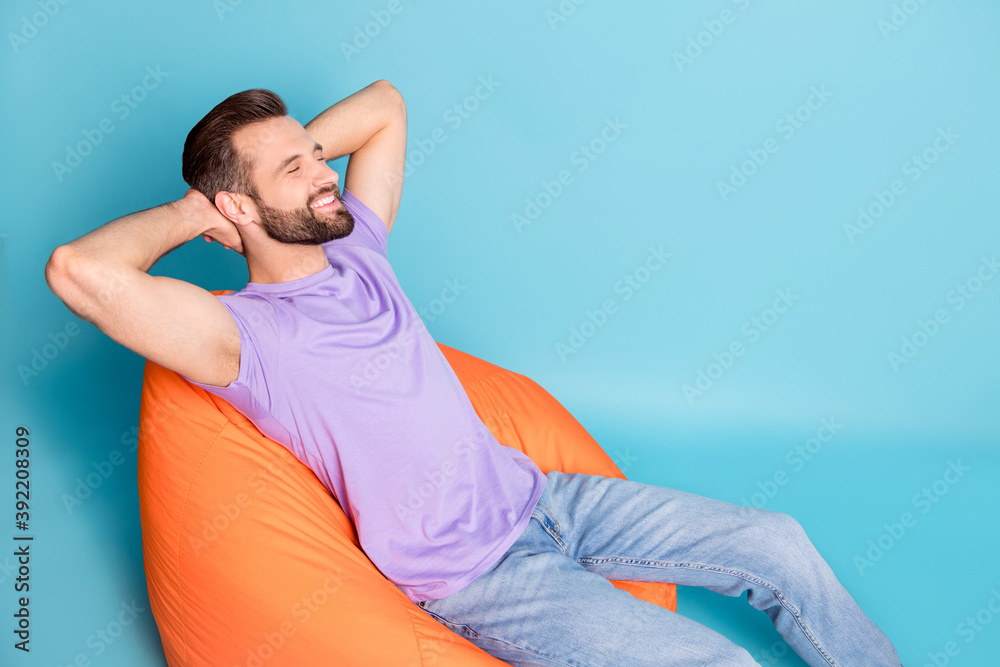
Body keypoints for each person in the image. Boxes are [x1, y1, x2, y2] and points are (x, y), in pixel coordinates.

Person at [45, 81, 903, 667]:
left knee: (776, 540)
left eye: (317, 154)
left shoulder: (356, 250)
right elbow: (79, 270)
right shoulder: (239, 336)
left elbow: (386, 107)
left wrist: (285, 162)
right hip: (478, 576)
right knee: (715, 661)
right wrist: (203, 207)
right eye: (297, 168)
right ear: (237, 208)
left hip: (545, 498)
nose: (323, 173)